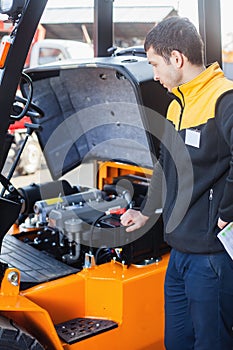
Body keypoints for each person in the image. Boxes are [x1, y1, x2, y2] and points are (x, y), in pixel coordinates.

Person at [120, 16, 233, 350]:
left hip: (211, 256)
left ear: (177, 59)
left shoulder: (224, 100)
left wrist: (226, 213)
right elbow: (164, 165)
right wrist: (145, 213)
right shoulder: (176, 107)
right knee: (177, 342)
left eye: (155, 64)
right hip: (179, 252)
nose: (154, 74)